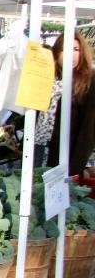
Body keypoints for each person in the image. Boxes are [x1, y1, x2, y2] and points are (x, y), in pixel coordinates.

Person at [42, 31, 95, 177]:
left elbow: (88, 132)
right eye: (66, 49)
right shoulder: (50, 78)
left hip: (66, 157)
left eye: (76, 50)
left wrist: (75, 170)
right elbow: (41, 111)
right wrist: (17, 125)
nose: (71, 54)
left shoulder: (89, 81)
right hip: (40, 151)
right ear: (57, 52)